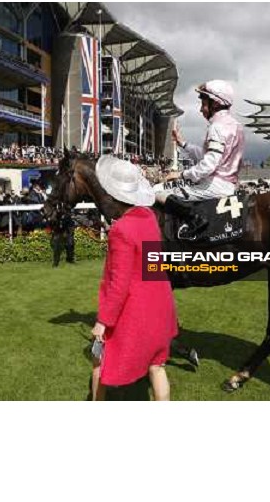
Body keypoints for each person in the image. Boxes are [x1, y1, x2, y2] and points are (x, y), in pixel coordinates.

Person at [91, 155, 178, 401]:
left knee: (100, 362)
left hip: (136, 313)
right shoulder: (149, 217)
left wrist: (103, 321)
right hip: (161, 308)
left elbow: (119, 285)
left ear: (112, 193)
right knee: (157, 366)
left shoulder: (121, 230)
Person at [156, 80, 245, 204]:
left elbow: (208, 165)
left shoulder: (217, 127)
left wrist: (180, 174)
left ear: (215, 104)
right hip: (228, 185)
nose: (201, 110)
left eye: (203, 104)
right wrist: (183, 143)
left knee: (158, 191)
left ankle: (190, 223)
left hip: (214, 187)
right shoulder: (236, 126)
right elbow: (207, 156)